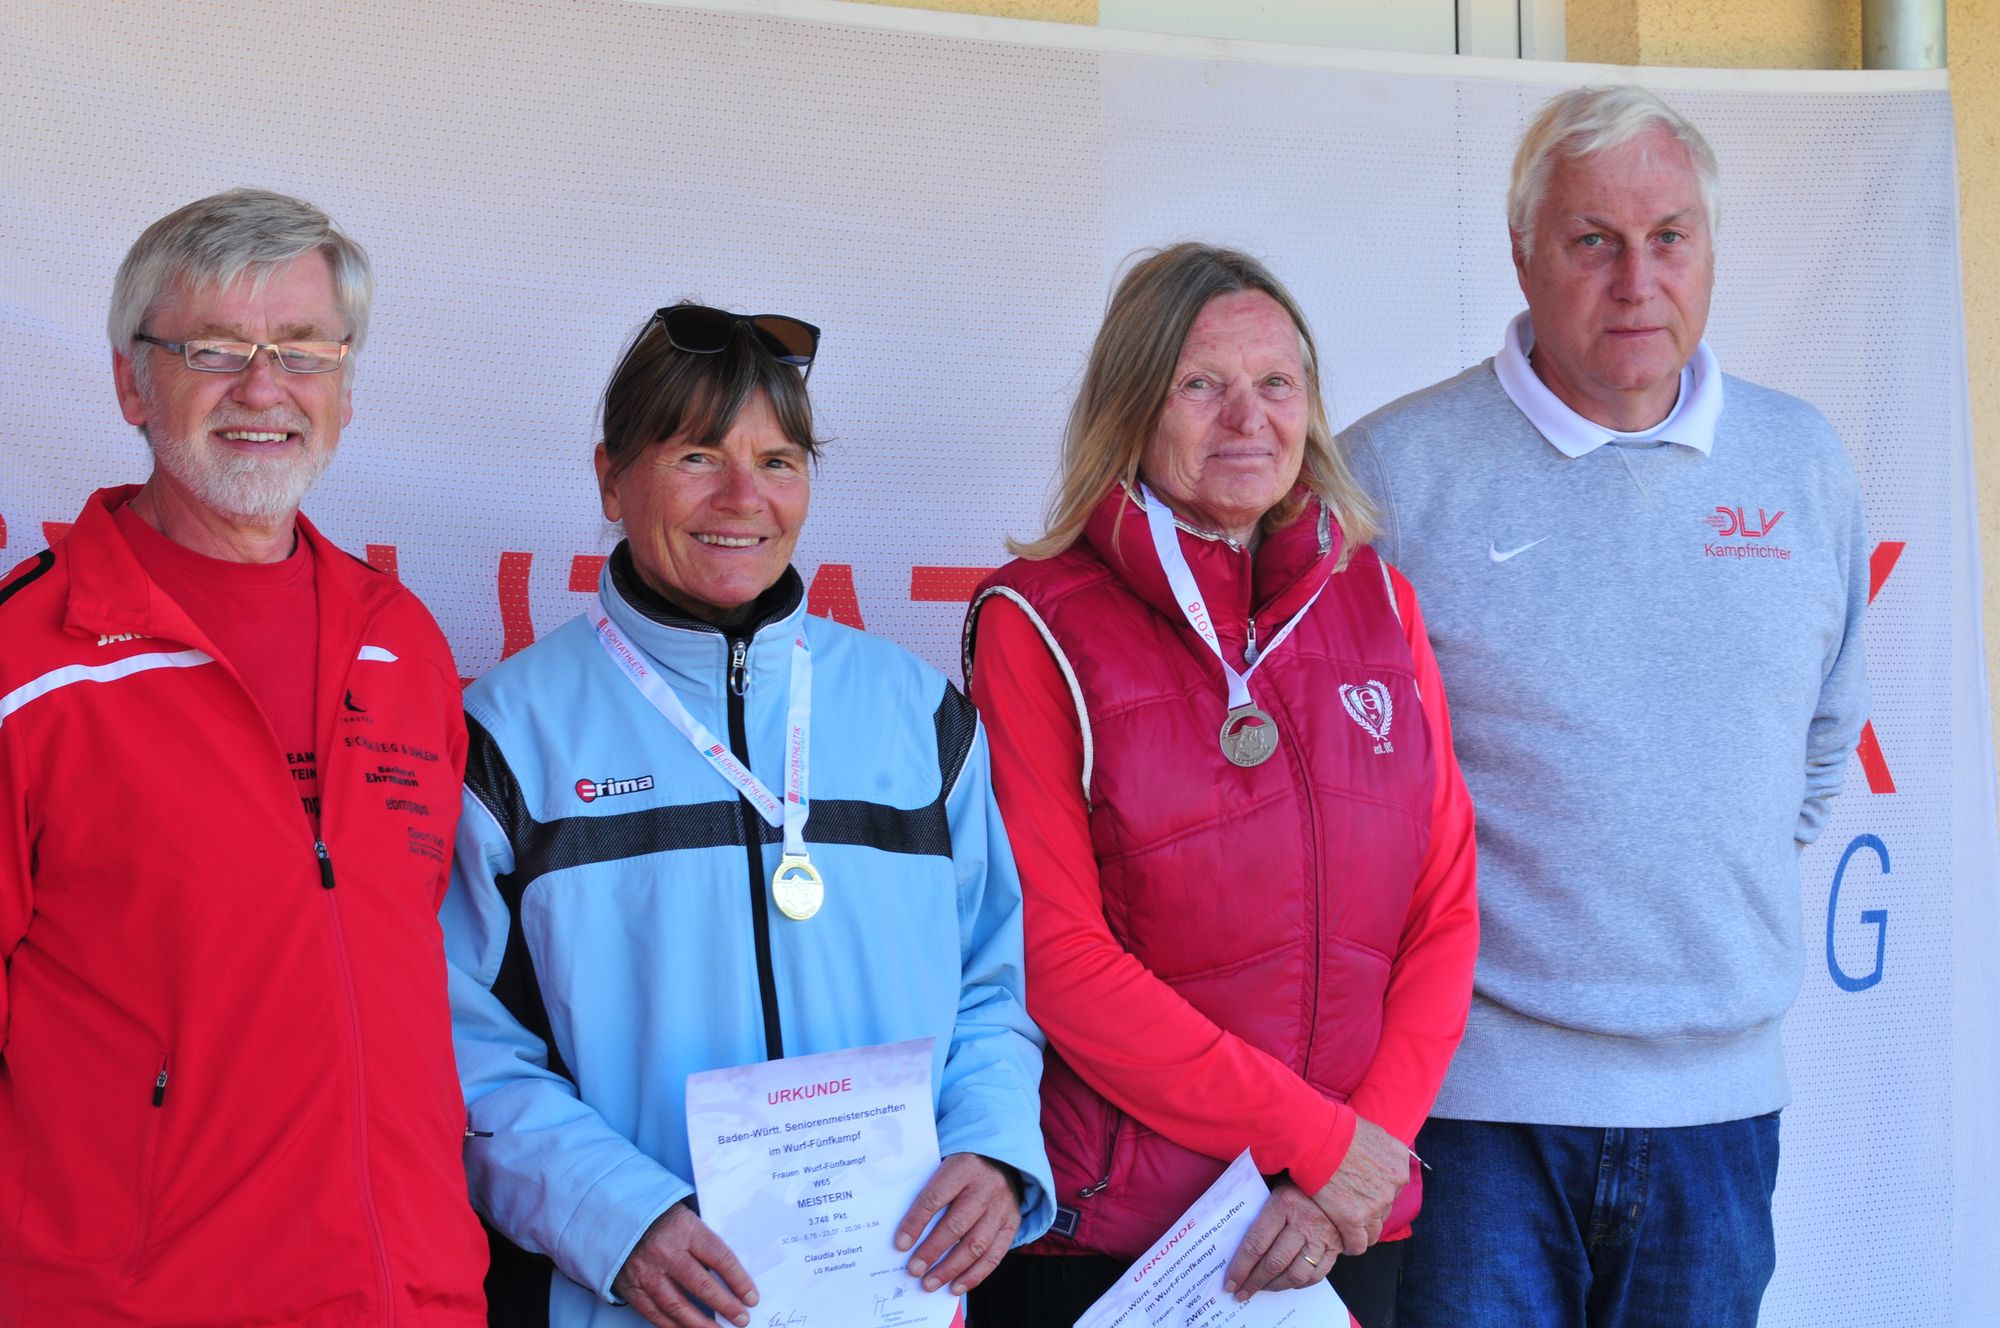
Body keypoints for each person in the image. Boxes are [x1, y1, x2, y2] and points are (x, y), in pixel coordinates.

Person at [1340, 87, 1871, 1328]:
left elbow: (1818, 745)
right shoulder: (1391, 475)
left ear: (1708, 249)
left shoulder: (1800, 462)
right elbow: (1346, 795)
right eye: (1592, 240)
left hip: (1717, 1112)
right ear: (1520, 251)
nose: (1636, 280)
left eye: (1668, 237)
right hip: (1470, 1116)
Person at [443, 302, 1054, 1328]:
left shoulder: (918, 717)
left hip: (893, 1296)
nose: (743, 498)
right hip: (642, 1300)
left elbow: (997, 985)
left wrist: (990, 1148)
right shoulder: (510, 733)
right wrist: (614, 1216)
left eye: (777, 461)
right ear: (610, 477)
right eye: (696, 455)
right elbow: (460, 1040)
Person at [962, 244, 1479, 1328]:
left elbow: (1441, 915)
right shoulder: (1034, 619)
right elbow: (1052, 955)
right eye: (1201, 384)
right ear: (1132, 406)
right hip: (1120, 1242)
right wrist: (1318, 1143)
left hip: (1338, 1227)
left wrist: (1354, 1164)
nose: (1248, 417)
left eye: (1276, 382)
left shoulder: (1381, 604)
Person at [0, 190, 486, 1321]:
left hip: (413, 1297)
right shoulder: (28, 664)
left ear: (345, 390)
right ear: (133, 384)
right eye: (215, 349)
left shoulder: (402, 641)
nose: (264, 390)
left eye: (304, 351)